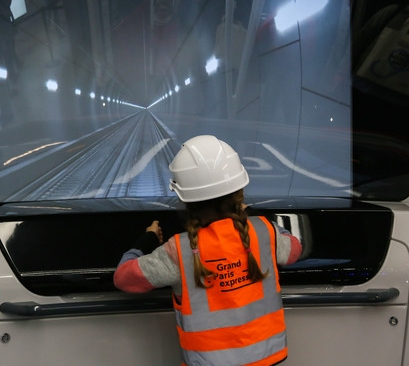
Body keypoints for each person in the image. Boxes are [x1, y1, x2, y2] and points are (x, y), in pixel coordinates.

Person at [114, 135, 302, 366]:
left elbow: (124, 278)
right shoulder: (265, 232)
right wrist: (250, 215)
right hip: (268, 359)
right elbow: (294, 249)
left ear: (185, 200)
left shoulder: (179, 251)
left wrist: (146, 240)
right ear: (239, 192)